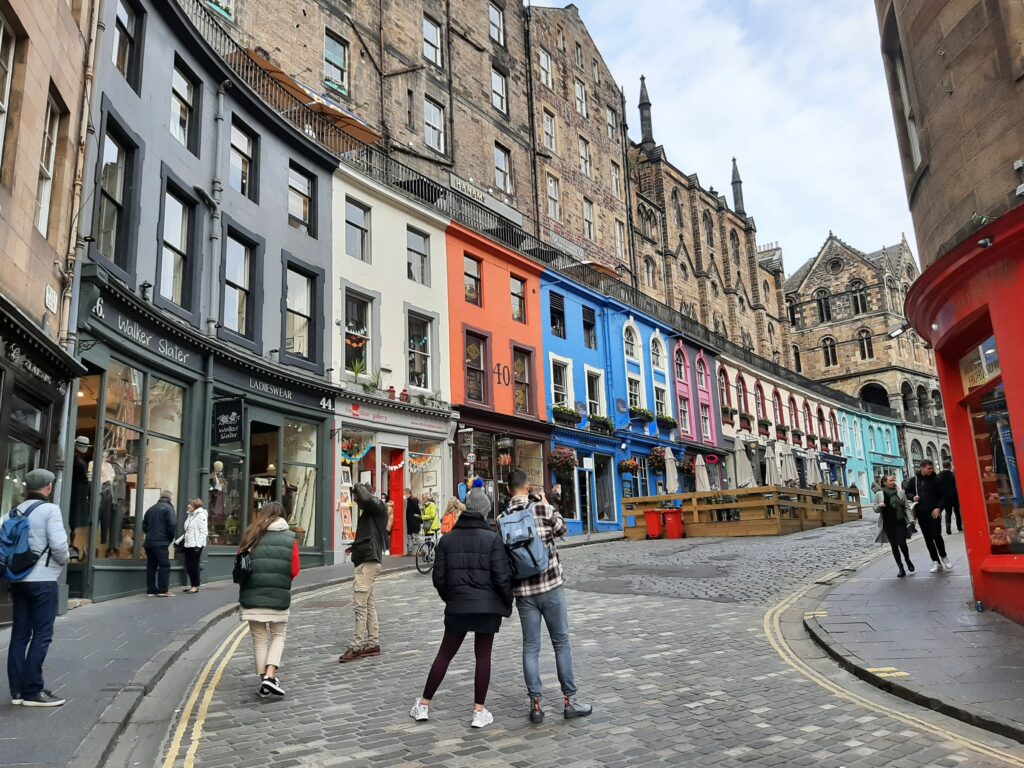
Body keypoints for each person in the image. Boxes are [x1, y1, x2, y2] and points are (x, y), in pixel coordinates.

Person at [410, 486, 512, 728]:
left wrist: (452, 598)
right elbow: (502, 577)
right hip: (487, 608)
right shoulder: (493, 539)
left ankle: (423, 705)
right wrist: (505, 602)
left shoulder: (447, 540)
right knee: (483, 656)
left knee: (445, 654)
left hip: (458, 606)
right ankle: (479, 711)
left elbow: (439, 578)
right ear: (486, 511)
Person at [504, 468, 592, 723]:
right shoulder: (540, 509)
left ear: (509, 489)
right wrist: (546, 504)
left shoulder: (502, 518)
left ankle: (536, 705)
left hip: (524, 593)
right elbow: (563, 530)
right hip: (551, 585)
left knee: (530, 647)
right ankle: (569, 701)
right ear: (528, 486)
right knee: (561, 643)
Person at [5, 469, 70, 708]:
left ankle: (17, 692)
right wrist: (63, 562)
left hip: (18, 581)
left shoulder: (14, 511)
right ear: (49, 487)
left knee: (19, 636)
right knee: (42, 635)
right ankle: (33, 690)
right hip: (43, 581)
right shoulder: (50, 510)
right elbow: (59, 545)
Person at [237, 502, 300, 697]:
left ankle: (265, 678)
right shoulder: (291, 539)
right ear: (283, 517)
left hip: (251, 596)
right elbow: (295, 570)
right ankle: (270, 675)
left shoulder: (250, 535)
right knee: (278, 634)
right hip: (278, 595)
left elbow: (240, 565)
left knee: (259, 639)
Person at [339, 483, 389, 663]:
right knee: (368, 604)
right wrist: (355, 547)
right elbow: (369, 536)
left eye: (358, 499)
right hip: (365, 560)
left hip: (368, 563)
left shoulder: (378, 507)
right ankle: (373, 644)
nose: (358, 503)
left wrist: (358, 487)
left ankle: (356, 646)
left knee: (359, 605)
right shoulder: (370, 514)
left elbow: (368, 499)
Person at [904, 460, 952, 573]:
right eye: (929, 468)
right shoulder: (914, 480)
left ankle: (944, 556)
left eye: (932, 468)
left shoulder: (936, 479)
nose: (932, 470)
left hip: (934, 511)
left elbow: (944, 496)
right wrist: (912, 497)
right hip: (921, 512)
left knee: (936, 534)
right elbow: (907, 492)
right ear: (922, 468)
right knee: (928, 538)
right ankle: (936, 561)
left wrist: (939, 508)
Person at [874, 476, 914, 577]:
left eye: (893, 480)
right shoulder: (879, 494)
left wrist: (911, 520)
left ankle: (907, 560)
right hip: (888, 524)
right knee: (894, 546)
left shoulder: (900, 493)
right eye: (890, 480)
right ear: (884, 482)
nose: (893, 482)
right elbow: (875, 508)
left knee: (902, 543)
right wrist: (879, 505)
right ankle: (900, 568)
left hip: (900, 522)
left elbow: (906, 507)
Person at [143, 490, 177, 597]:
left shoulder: (151, 509)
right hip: (161, 542)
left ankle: (151, 590)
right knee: (164, 565)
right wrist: (169, 539)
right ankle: (163, 590)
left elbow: (144, 525)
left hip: (149, 541)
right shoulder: (169, 508)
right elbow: (172, 525)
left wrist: (149, 535)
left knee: (151, 566)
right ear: (170, 498)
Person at [177, 498, 208, 593]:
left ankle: (195, 586)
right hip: (188, 544)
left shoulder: (201, 515)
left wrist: (198, 546)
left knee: (193, 565)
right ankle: (192, 585)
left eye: (190, 504)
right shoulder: (190, 515)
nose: (188, 506)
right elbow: (188, 531)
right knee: (189, 565)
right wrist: (179, 541)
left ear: (195, 506)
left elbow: (204, 532)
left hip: (195, 545)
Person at [939, 460, 962, 535]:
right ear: (949, 466)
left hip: (945, 497)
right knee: (957, 512)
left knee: (948, 512)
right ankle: (959, 527)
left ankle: (948, 529)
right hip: (954, 495)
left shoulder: (939, 475)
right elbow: (956, 483)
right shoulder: (952, 475)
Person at [404, 488, 422, 555]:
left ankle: (422, 549)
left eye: (404, 493)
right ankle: (410, 551)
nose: (404, 495)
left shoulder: (413, 501)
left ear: (408, 493)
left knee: (416, 537)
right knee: (409, 537)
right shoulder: (408, 501)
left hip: (414, 522)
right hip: (410, 522)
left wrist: (416, 518)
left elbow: (418, 511)